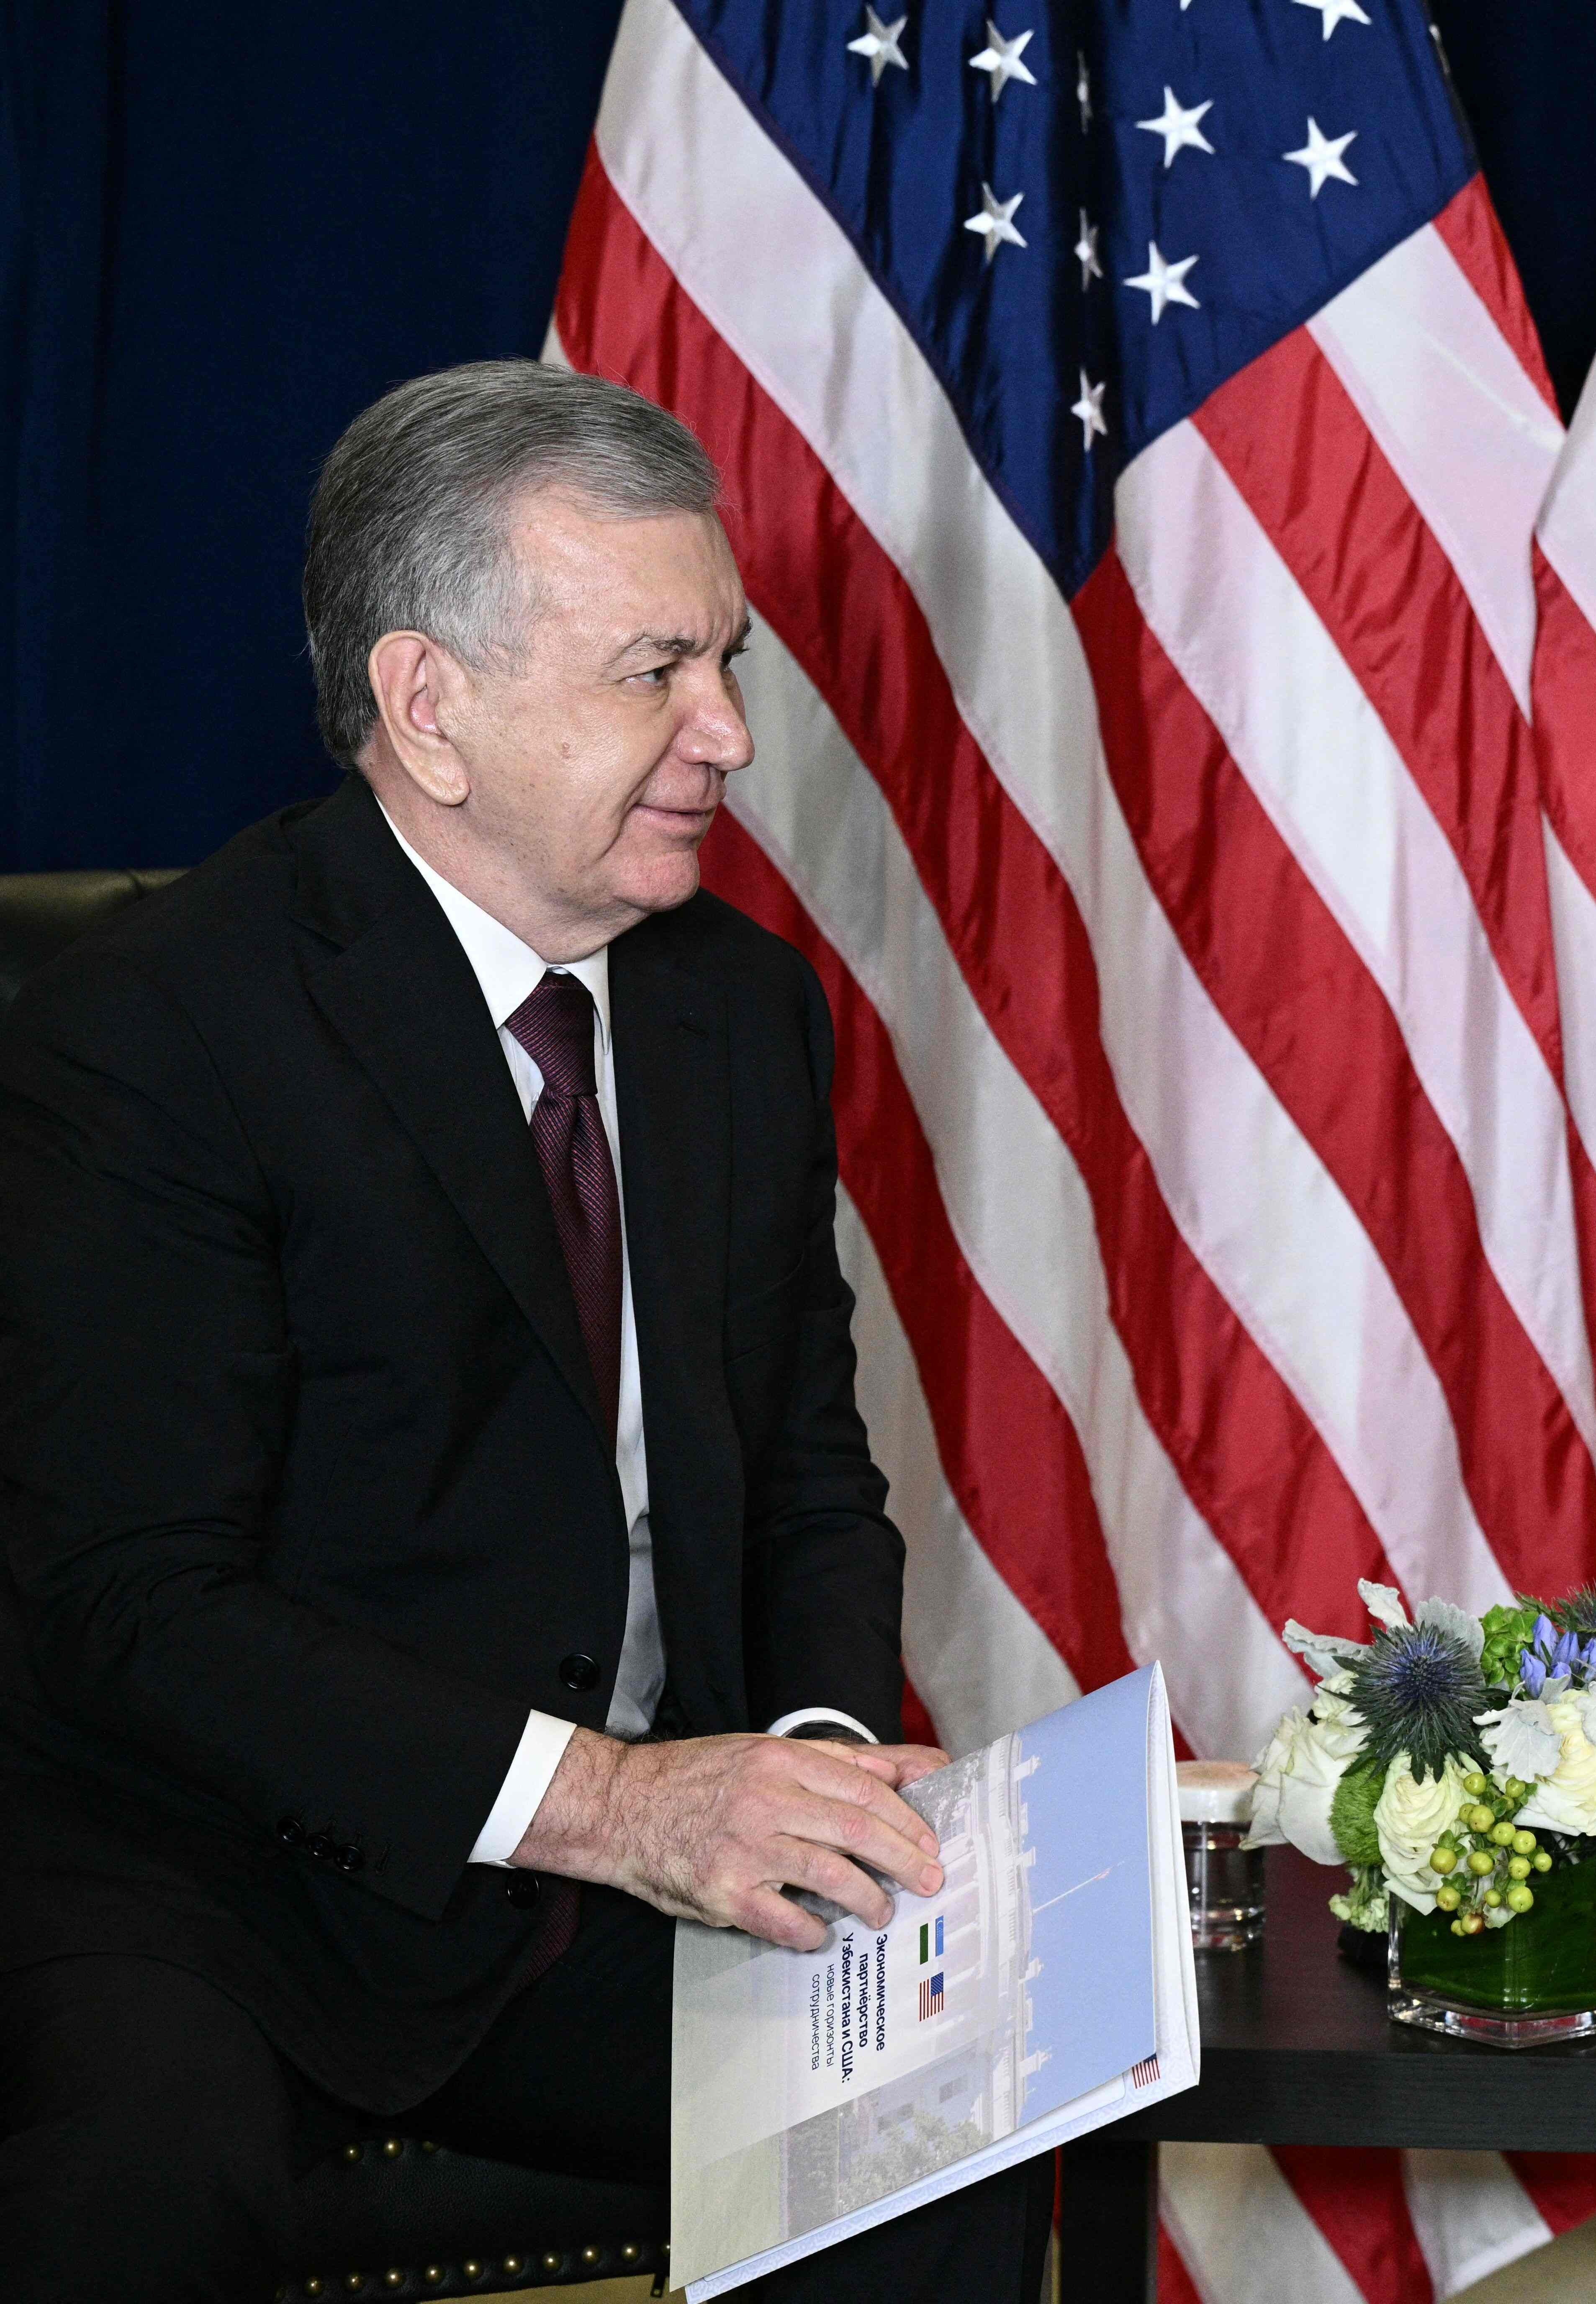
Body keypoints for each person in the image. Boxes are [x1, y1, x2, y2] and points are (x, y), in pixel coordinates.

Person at [0, 363, 1048, 2299]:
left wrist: (811, 1770)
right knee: (135, 2179)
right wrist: (619, 1801)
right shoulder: (155, 1027)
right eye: (658, 671)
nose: (730, 732)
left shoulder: (741, 1008)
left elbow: (811, 1476)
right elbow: (137, 1604)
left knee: (949, 2120)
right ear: (431, 707)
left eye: (726, 661)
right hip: (230, 1876)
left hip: (616, 1883)